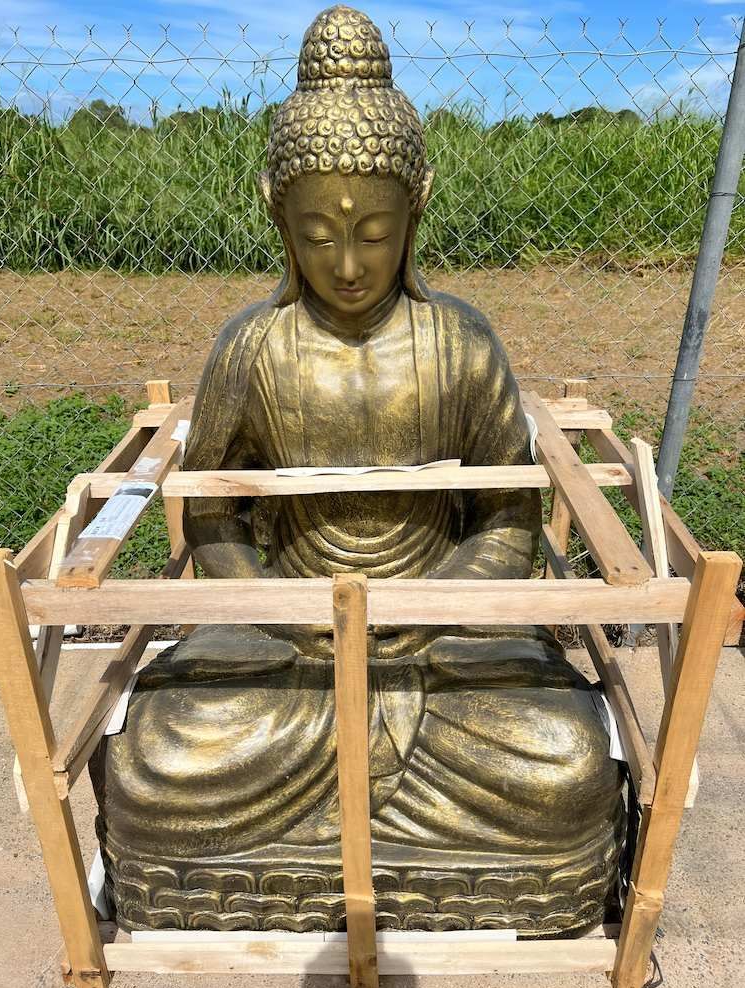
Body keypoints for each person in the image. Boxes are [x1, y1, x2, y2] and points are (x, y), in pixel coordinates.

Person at [92, 4, 624, 936]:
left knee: (567, 762)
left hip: (440, 625)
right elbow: (210, 515)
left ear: (415, 207)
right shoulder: (252, 348)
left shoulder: (458, 340)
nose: (346, 264)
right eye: (318, 234)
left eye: (373, 234)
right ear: (276, 212)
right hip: (289, 631)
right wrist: (294, 619)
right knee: (157, 758)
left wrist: (420, 616)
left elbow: (506, 513)